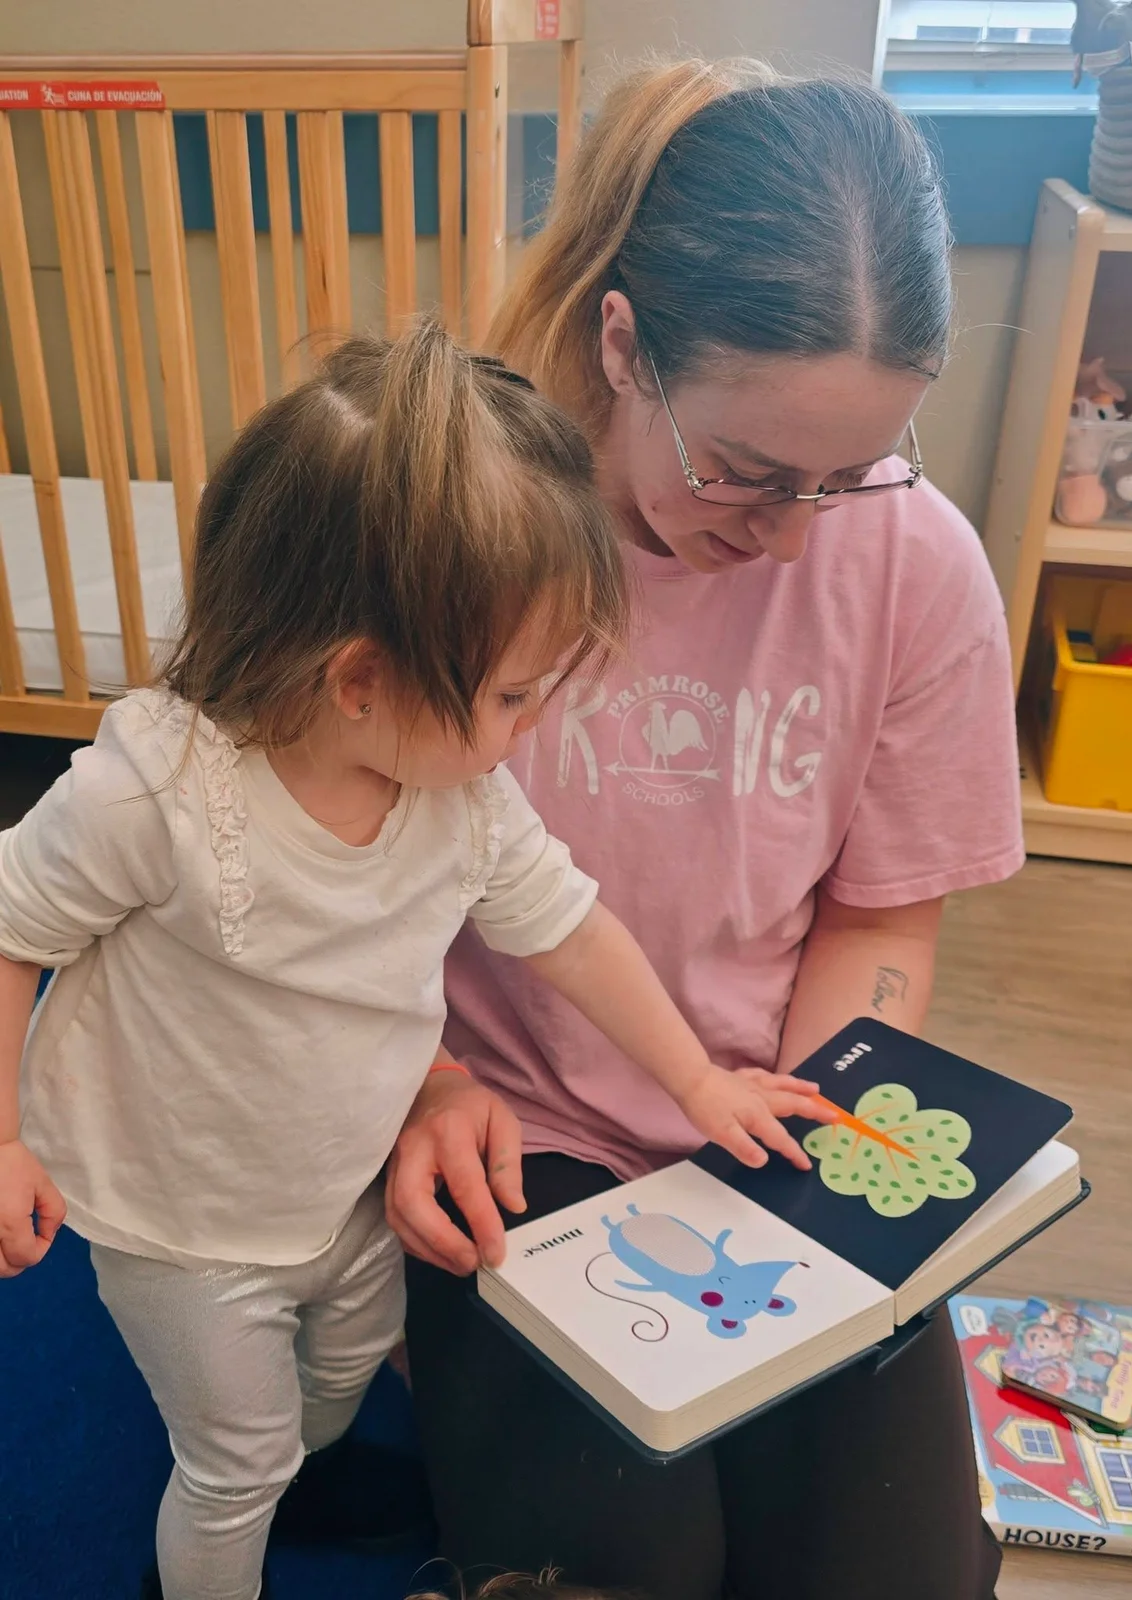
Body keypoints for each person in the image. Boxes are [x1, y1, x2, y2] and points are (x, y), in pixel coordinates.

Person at [0, 319, 832, 1600]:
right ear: (359, 680)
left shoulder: (459, 799)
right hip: (182, 1222)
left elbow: (572, 929)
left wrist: (699, 1082)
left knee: (345, 1369)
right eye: (511, 697)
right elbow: (10, 927)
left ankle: (316, 1469)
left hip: (343, 1185)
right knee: (235, 1457)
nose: (530, 729)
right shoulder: (157, 793)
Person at [390, 60, 1025, 1600]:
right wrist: (427, 1079)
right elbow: (312, 874)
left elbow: (880, 915)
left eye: (852, 473)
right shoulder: (449, 527)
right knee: (622, 1574)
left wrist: (811, 1138)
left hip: (764, 1121)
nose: (791, 530)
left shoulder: (916, 567)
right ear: (624, 343)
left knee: (899, 1580)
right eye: (743, 471)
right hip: (514, 1133)